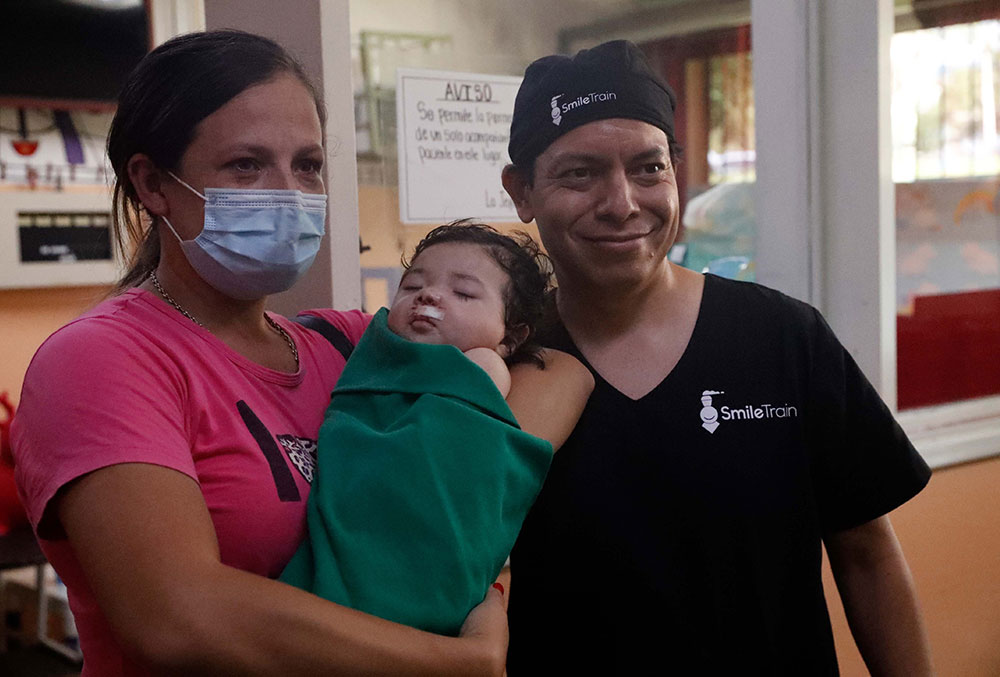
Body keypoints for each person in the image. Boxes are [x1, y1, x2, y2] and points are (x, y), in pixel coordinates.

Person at [11, 30, 585, 676]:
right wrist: (460, 659)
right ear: (152, 184)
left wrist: (470, 518)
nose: (288, 192)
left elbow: (559, 372)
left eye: (308, 165)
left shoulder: (346, 344)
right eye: (245, 165)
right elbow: (178, 617)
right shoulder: (104, 360)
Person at [499, 40, 934, 675]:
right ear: (522, 191)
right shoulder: (498, 361)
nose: (622, 203)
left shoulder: (781, 337)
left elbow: (868, 553)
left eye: (648, 168)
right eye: (580, 173)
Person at [281, 222, 592, 637]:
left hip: (414, 587)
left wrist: (485, 366)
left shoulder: (495, 372)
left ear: (513, 336)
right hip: (333, 579)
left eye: (463, 293)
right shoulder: (367, 353)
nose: (428, 295)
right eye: (412, 286)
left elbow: (449, 491)